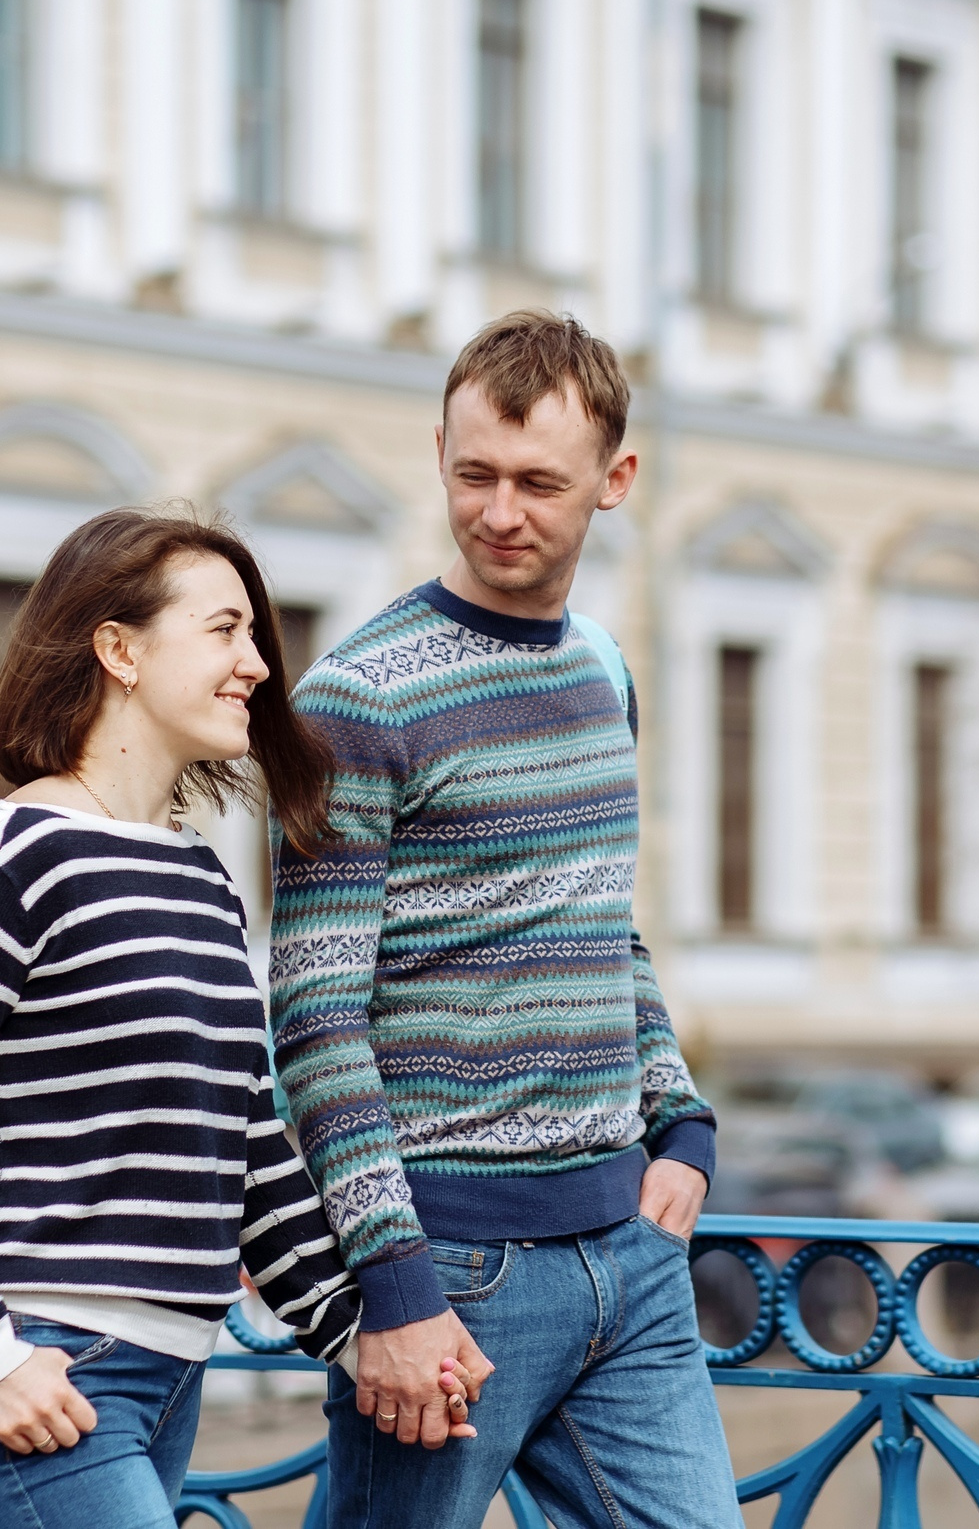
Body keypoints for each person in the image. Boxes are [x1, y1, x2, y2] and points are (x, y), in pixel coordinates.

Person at [0, 508, 465, 1529]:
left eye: (254, 635)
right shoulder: (14, 859)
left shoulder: (202, 879)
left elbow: (247, 1147)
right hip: (40, 1369)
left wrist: (362, 1337)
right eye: (223, 630)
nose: (257, 664)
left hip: (172, 1375)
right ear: (119, 650)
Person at [270, 311, 740, 1529]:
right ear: (438, 453)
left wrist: (680, 1120)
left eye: (539, 483)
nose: (498, 512)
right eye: (474, 474)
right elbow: (314, 1020)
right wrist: (394, 1285)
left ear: (614, 481)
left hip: (630, 1259)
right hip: (452, 1272)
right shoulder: (354, 701)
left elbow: (601, 929)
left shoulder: (603, 670)